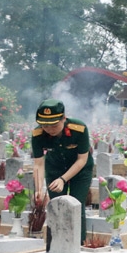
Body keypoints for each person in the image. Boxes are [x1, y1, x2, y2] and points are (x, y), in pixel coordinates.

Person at [31, 99, 94, 244]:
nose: (49, 129)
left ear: (63, 118)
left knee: (77, 204)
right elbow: (39, 164)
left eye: (54, 125)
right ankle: (56, 243)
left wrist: (63, 179)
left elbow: (82, 160)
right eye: (45, 125)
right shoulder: (38, 134)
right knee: (56, 205)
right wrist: (39, 189)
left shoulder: (79, 129)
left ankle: (78, 243)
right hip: (55, 168)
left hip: (80, 170)